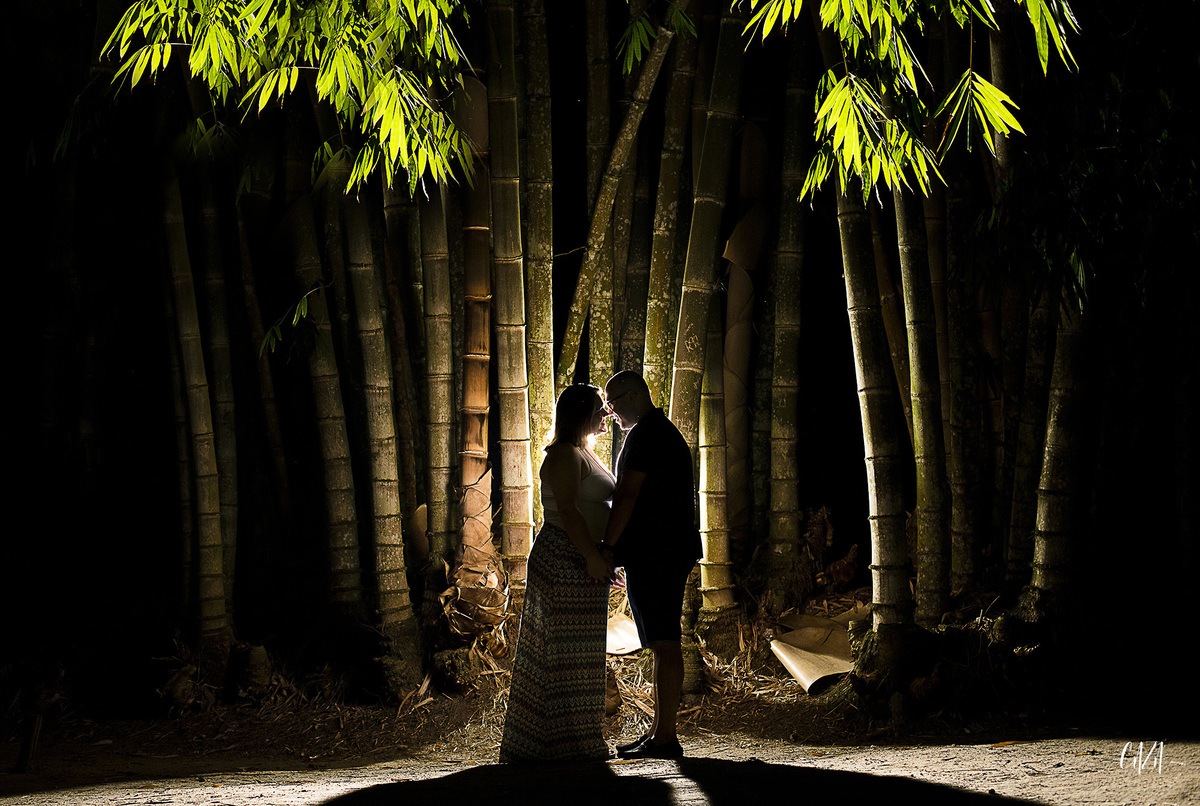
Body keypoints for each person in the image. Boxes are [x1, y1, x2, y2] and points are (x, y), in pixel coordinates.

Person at [499, 384, 616, 762]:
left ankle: (579, 741)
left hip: (583, 558)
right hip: (564, 559)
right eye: (600, 409)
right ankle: (559, 745)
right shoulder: (564, 454)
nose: (606, 415)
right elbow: (568, 511)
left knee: (583, 655)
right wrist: (592, 558)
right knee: (562, 655)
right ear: (581, 414)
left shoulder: (585, 451)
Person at [600, 370, 702, 760]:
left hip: (657, 553)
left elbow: (627, 495)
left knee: (664, 642)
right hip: (667, 550)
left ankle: (665, 738)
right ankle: (662, 734)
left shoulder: (644, 435)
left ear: (633, 396)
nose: (610, 412)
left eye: (613, 403)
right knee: (664, 642)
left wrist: (609, 547)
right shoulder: (663, 432)